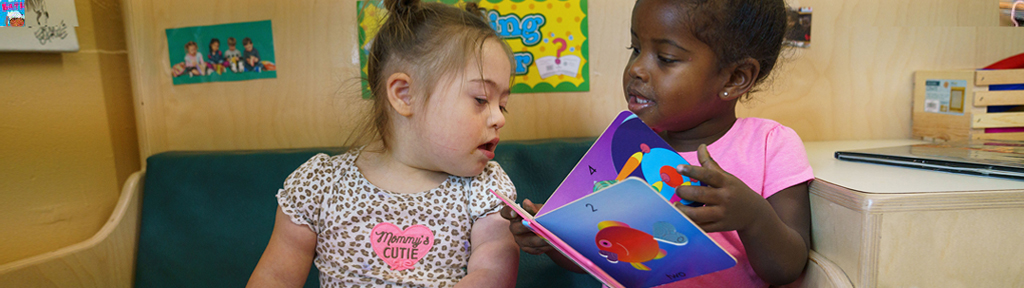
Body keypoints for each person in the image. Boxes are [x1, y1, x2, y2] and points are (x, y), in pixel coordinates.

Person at [500, 0, 813, 287]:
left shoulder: (770, 144)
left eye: (666, 58)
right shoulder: (624, 150)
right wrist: (555, 239)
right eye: (635, 48)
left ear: (735, 78)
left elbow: (789, 268)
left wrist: (753, 217)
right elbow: (605, 253)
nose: (636, 69)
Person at [247, 0, 519, 287]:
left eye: (503, 105)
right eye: (480, 99)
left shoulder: (485, 189)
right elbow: (275, 277)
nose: (498, 118)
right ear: (404, 95)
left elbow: (493, 274)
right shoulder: (319, 184)